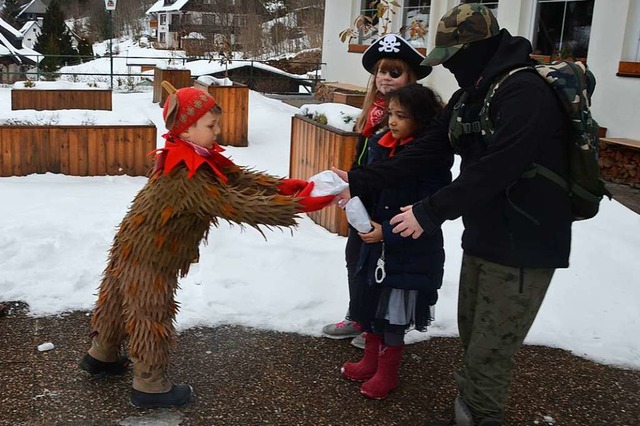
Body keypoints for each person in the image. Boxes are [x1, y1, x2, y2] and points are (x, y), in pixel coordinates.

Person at [334, 4, 572, 425]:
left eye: (454, 59)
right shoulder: (472, 94)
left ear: (477, 48)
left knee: (491, 345)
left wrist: (429, 211)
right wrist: (358, 178)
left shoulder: (524, 94)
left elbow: (498, 166)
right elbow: (426, 151)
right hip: (485, 231)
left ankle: (480, 416)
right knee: (473, 332)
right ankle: (471, 410)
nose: (452, 70)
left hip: (525, 241)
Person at [79, 82, 333, 409]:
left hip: (131, 244)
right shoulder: (186, 175)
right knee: (149, 313)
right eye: (211, 126)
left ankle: (102, 355)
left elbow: (236, 178)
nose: (218, 131)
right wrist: (297, 205)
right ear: (186, 129)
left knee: (116, 299)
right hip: (150, 256)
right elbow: (236, 205)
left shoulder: (196, 155)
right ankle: (150, 384)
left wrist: (283, 187)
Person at [340, 83, 452, 400]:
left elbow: (426, 213)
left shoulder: (429, 159)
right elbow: (369, 182)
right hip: (376, 248)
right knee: (372, 306)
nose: (392, 121)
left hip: (408, 252)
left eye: (401, 116)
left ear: (422, 119)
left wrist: (385, 231)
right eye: (390, 113)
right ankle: (369, 360)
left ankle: (387, 374)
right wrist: (352, 196)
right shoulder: (381, 144)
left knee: (393, 317)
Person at [321, 34, 432, 349]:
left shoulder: (414, 115)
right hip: (364, 201)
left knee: (385, 265)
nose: (385, 78)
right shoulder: (372, 113)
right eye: (381, 72)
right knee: (355, 257)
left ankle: (381, 326)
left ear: (410, 77)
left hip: (393, 205)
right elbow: (362, 156)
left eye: (394, 73)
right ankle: (359, 315)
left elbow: (406, 166)